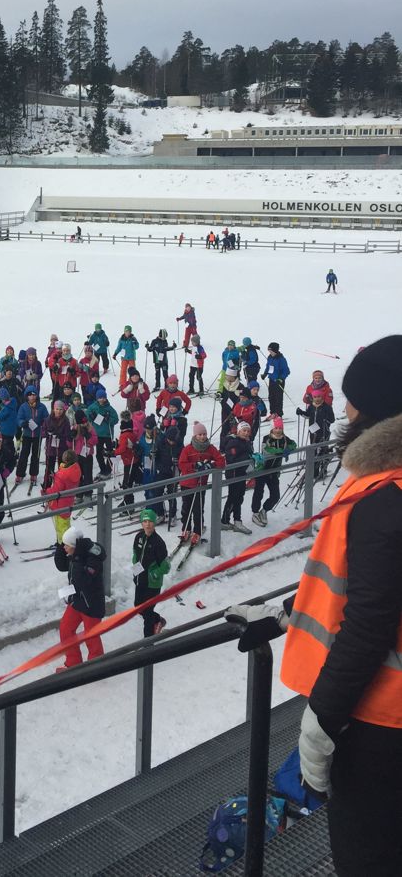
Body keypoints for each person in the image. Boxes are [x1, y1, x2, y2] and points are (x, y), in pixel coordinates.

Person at [226, 336, 402, 877]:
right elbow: (359, 585)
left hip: (379, 723)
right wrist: (288, 611)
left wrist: (323, 719)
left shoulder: (385, 497)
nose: (344, 410)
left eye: (354, 399)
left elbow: (371, 620)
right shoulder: (380, 487)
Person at [53, 524, 106, 670]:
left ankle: (96, 667)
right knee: (65, 628)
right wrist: (60, 545)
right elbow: (62, 565)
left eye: (67, 545)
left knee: (91, 636)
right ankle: (73, 662)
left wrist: (76, 560)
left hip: (91, 604)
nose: (65, 548)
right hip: (77, 601)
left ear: (75, 546)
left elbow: (84, 580)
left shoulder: (91, 557)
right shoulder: (74, 555)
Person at [177, 422, 224, 542]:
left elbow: (221, 461)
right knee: (186, 508)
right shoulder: (188, 449)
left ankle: (198, 530)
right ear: (195, 435)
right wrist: (194, 465)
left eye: (204, 434)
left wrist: (211, 464)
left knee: (198, 508)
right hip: (187, 483)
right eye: (200, 434)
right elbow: (181, 465)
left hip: (200, 485)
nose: (202, 437)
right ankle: (186, 528)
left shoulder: (210, 448)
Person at [131, 508, 170, 636]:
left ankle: (148, 644)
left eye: (150, 521)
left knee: (147, 613)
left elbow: (166, 566)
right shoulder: (139, 537)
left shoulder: (158, 543)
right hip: (140, 580)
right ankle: (158, 620)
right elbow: (136, 555)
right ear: (142, 523)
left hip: (152, 584)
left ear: (154, 523)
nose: (147, 524)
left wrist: (154, 574)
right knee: (138, 607)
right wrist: (135, 570)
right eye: (145, 521)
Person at [251, 418, 296, 526]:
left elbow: (294, 444)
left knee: (275, 495)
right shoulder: (266, 438)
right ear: (272, 429)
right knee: (258, 493)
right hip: (263, 469)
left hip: (274, 471)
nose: (278, 430)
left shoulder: (284, 439)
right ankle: (255, 513)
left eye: (280, 428)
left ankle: (264, 510)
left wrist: (288, 449)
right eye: (276, 428)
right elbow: (268, 450)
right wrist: (281, 452)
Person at [44, 449, 83, 542]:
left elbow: (56, 490)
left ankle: (63, 545)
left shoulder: (63, 474)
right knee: (65, 524)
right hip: (68, 502)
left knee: (60, 527)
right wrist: (56, 477)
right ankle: (63, 542)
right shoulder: (75, 469)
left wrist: (46, 492)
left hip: (59, 504)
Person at [262, 342, 290, 416]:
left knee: (278, 398)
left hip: (279, 381)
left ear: (275, 350)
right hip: (271, 380)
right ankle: (273, 412)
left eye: (271, 351)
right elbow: (268, 367)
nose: (270, 352)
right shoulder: (270, 357)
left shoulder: (281, 359)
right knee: (271, 397)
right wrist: (265, 374)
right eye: (269, 351)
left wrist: (281, 379)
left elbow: (286, 371)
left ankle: (278, 413)